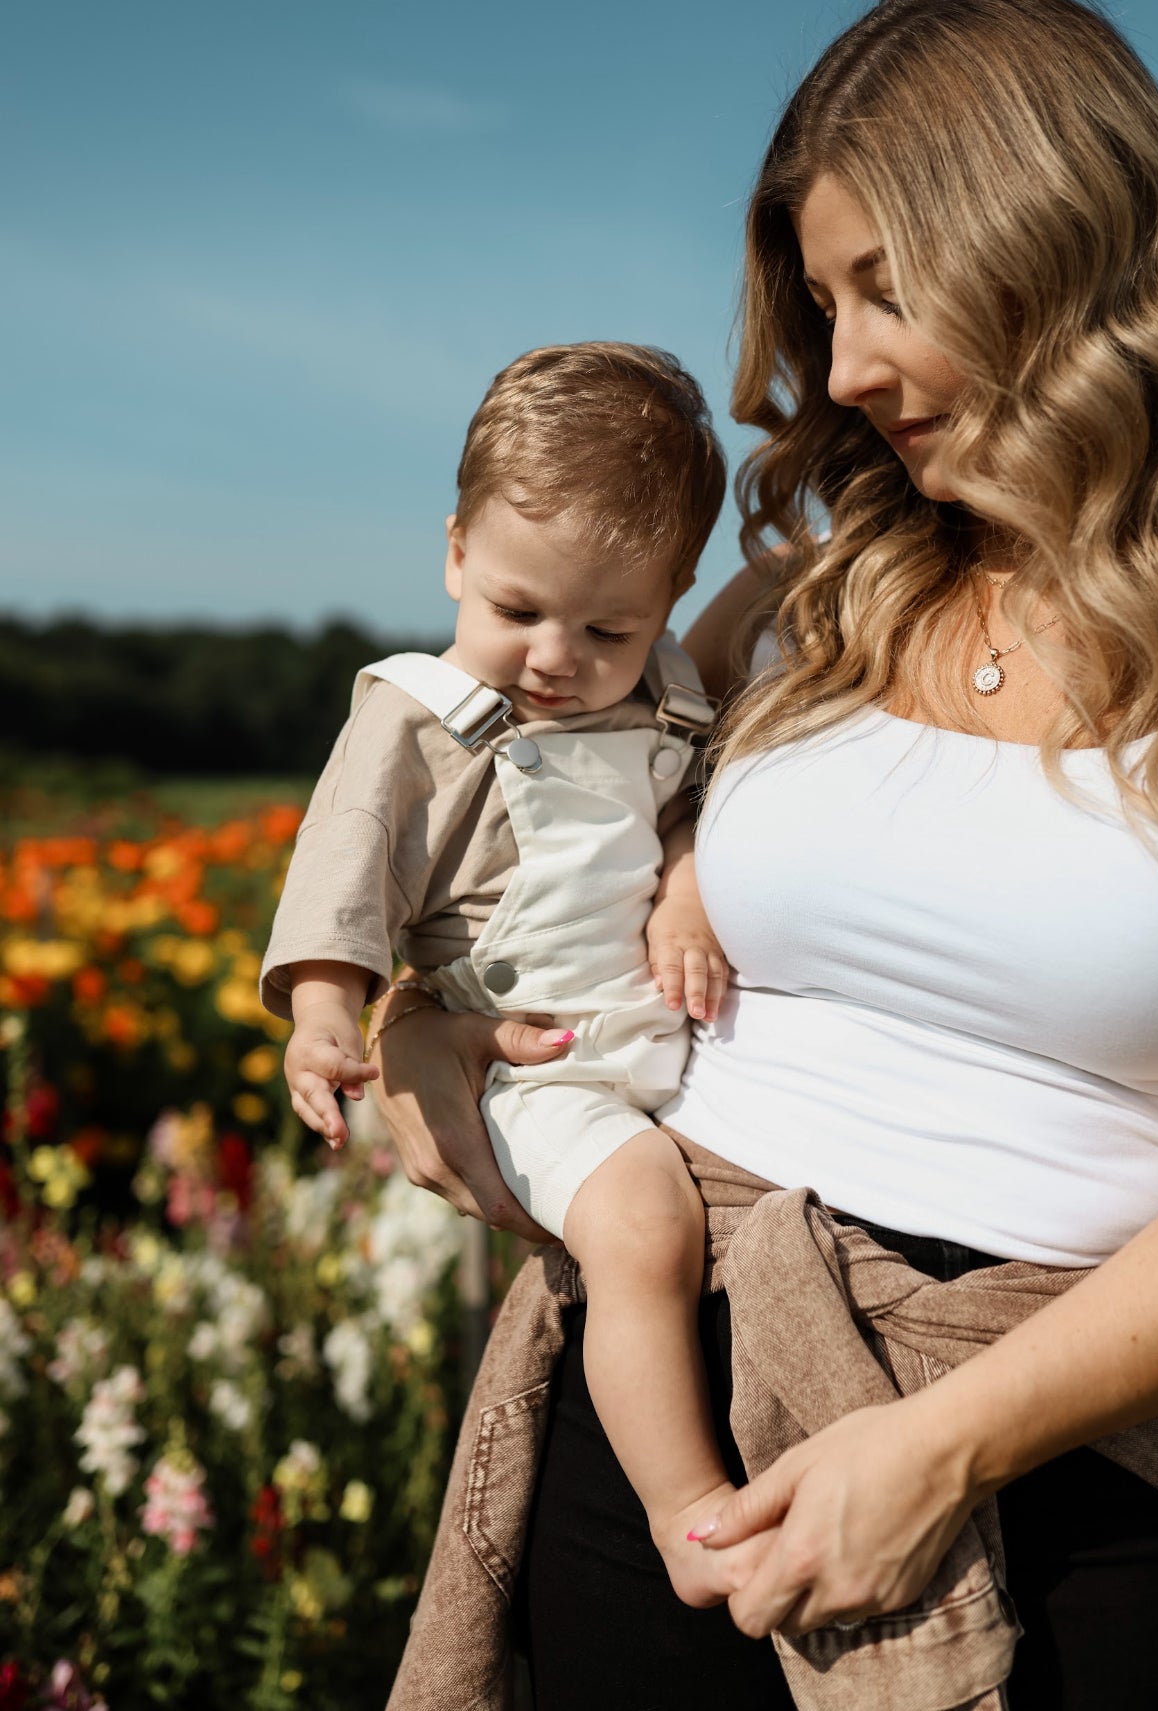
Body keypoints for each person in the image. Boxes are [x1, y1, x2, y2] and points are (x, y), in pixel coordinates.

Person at [367, 2, 1158, 1707]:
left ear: (1058, 245)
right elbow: (545, 827)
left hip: (1067, 1476)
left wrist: (943, 1448)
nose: (850, 367)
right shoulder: (810, 602)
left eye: (888, 287)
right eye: (823, 307)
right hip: (664, 1414)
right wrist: (427, 1027)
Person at [262, 341, 782, 1604]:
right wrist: (332, 1013)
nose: (555, 654)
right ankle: (686, 1513)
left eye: (607, 625)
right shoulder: (416, 719)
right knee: (645, 1231)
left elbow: (685, 807)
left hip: (656, 1049)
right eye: (516, 610)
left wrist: (688, 868)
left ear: (674, 597)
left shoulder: (664, 695)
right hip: (531, 1059)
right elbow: (347, 867)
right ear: (454, 553)